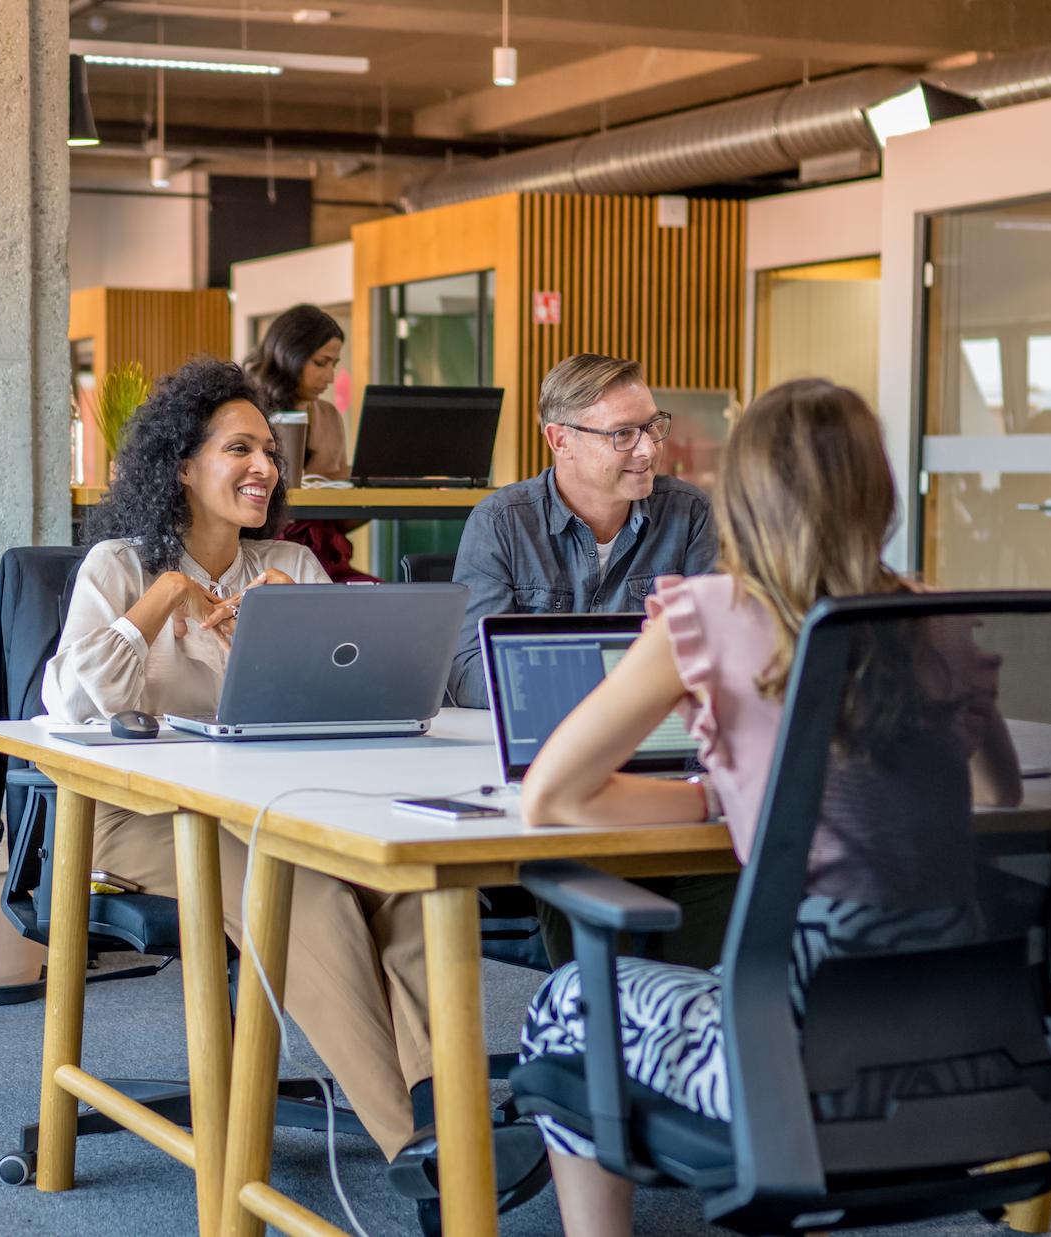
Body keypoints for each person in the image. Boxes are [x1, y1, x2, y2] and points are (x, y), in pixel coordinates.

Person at [514, 379, 1051, 1237]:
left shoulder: (706, 615)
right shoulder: (936, 614)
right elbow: (996, 792)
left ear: (742, 496)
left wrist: (723, 790)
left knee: (565, 1001)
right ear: (881, 490)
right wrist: (768, 787)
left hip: (790, 1058)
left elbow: (554, 794)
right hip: (970, 1040)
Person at [40, 357, 433, 1162]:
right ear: (182, 464)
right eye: (239, 450)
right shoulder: (118, 566)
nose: (263, 468)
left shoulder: (288, 569)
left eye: (270, 453)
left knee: (418, 893)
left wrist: (287, 633)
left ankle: (442, 1112)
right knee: (308, 895)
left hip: (279, 805)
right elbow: (73, 705)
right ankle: (419, 1153)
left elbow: (345, 707)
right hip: (143, 817)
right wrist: (169, 598)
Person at [450, 352, 725, 969]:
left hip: (669, 761)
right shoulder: (501, 522)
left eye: (653, 427)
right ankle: (603, 1028)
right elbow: (468, 672)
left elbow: (721, 661)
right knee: (573, 840)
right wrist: (627, 695)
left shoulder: (691, 514)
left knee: (727, 853)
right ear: (559, 440)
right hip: (553, 769)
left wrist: (564, 683)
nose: (649, 449)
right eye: (622, 434)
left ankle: (687, 1019)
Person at [246, 304, 374, 581]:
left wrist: (374, 491)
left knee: (382, 596)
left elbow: (337, 518)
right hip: (263, 557)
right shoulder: (248, 413)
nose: (329, 376)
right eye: (320, 363)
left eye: (333, 365)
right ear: (289, 356)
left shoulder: (329, 416)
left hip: (323, 556)